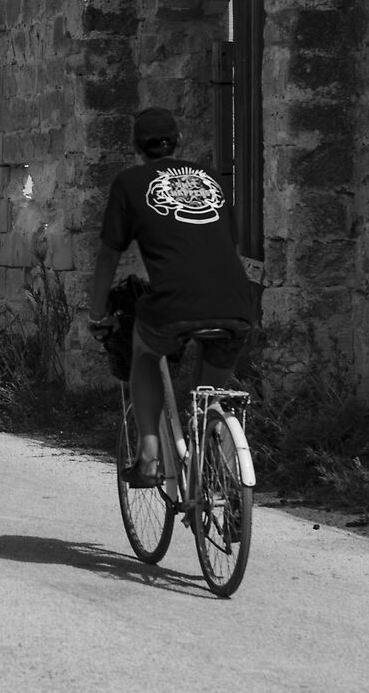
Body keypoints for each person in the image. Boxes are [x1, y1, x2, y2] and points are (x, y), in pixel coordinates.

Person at [87, 105, 257, 487]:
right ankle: (216, 470)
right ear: (179, 142)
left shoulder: (130, 183)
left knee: (145, 352)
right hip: (235, 303)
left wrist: (98, 312)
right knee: (210, 394)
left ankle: (148, 455)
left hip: (175, 305)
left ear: (136, 148)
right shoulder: (212, 178)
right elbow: (226, 242)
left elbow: (108, 254)